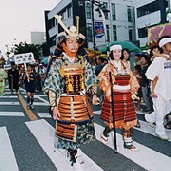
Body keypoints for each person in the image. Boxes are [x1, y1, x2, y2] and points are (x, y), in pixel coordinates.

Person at [43, 15, 98, 166]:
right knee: (67, 129)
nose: (74, 45)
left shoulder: (83, 61)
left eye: (76, 42)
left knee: (81, 128)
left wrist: (93, 94)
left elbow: (90, 78)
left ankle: (74, 149)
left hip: (81, 101)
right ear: (63, 44)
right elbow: (52, 86)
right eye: (70, 41)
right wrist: (53, 106)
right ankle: (72, 156)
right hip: (66, 101)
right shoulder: (57, 62)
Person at [98, 44, 139, 151]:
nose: (117, 54)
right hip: (115, 95)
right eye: (115, 52)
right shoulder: (108, 66)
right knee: (113, 121)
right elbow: (102, 81)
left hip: (127, 95)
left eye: (119, 52)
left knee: (128, 119)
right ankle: (105, 134)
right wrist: (109, 91)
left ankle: (128, 142)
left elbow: (132, 79)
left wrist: (133, 91)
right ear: (111, 53)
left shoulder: (126, 65)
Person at [145, 36, 171, 140]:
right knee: (160, 112)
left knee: (167, 109)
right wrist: (152, 91)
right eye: (169, 44)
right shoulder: (158, 60)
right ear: (163, 47)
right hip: (158, 90)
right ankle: (159, 131)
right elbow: (151, 75)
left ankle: (150, 118)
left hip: (168, 89)